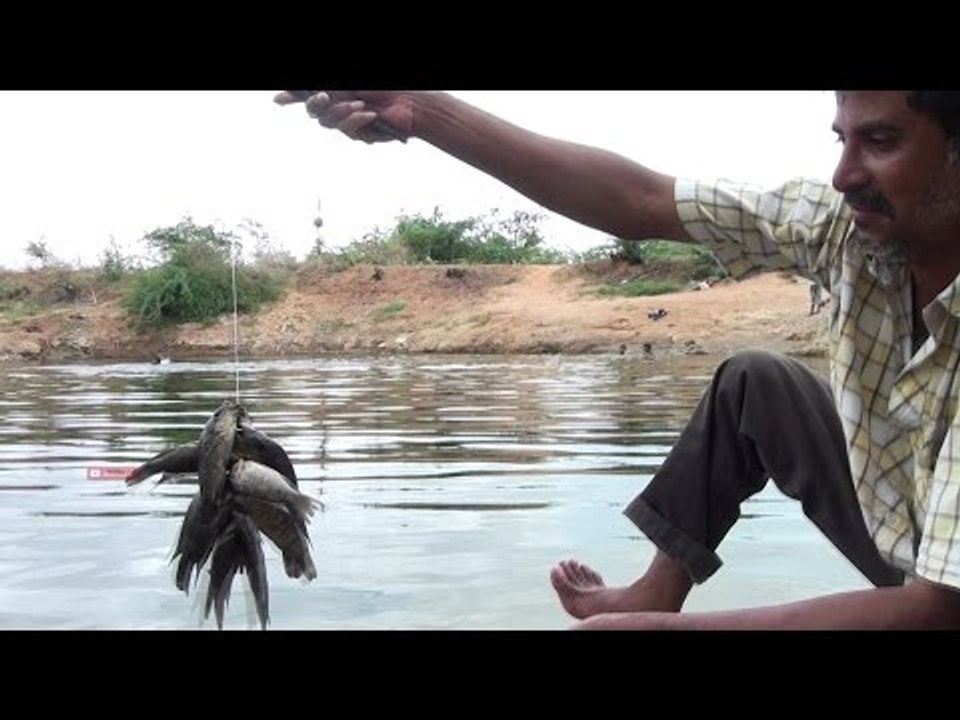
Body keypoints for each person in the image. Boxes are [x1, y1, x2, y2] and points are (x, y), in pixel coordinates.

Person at [276, 90, 960, 629]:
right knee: (754, 382)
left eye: (881, 141)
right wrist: (422, 110)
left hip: (943, 597)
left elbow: (941, 611)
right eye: (842, 139)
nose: (843, 176)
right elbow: (639, 200)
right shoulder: (849, 234)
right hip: (914, 551)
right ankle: (656, 593)